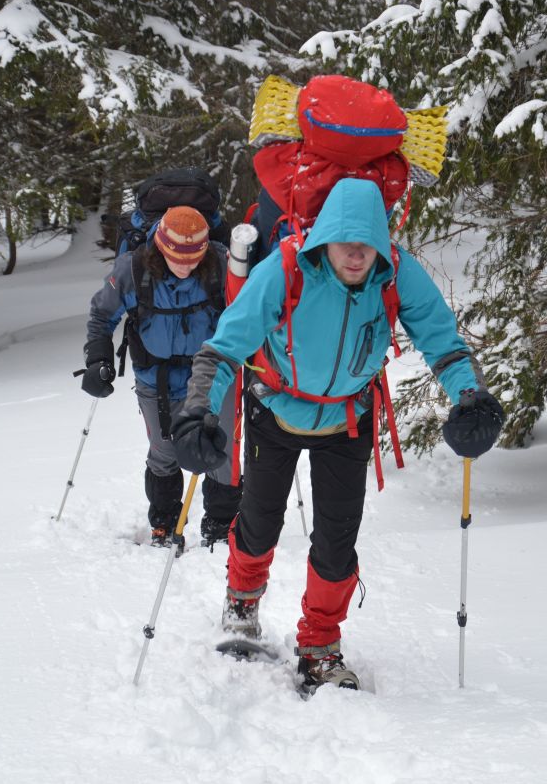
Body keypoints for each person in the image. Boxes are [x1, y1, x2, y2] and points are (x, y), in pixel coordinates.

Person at [168, 178, 505, 693]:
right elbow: (224, 348)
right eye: (345, 243)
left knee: (336, 540)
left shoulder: (396, 274)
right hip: (273, 410)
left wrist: (471, 398)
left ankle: (320, 646)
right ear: (324, 237)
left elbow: (444, 344)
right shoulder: (284, 268)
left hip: (346, 421)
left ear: (381, 241)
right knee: (258, 520)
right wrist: (199, 413)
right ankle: (242, 598)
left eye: (366, 243)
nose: (355, 254)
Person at [81, 205, 242, 548]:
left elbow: (247, 313)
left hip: (214, 375)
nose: (185, 265)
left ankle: (221, 524)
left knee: (220, 450)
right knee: (164, 451)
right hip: (157, 376)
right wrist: (98, 359)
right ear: (161, 247)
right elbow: (102, 315)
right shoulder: (133, 268)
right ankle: (164, 523)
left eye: (193, 257)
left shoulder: (221, 264)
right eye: (176, 257)